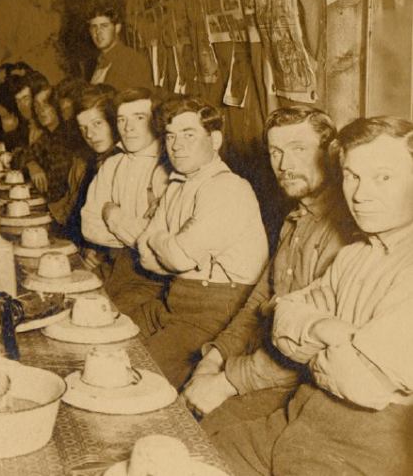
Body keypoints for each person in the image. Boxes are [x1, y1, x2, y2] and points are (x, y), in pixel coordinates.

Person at [213, 116, 413, 476]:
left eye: (383, 177)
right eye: (353, 176)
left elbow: (363, 385)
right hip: (299, 421)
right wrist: (330, 331)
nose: (361, 193)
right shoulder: (355, 254)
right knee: (190, 451)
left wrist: (310, 337)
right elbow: (282, 312)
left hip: (367, 448)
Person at [182, 106, 355, 429]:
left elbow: (312, 349)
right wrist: (214, 359)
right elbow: (255, 305)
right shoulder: (296, 219)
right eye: (276, 151)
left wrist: (227, 382)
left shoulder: (346, 232)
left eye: (299, 149)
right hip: (260, 364)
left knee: (196, 434)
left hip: (298, 383)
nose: (284, 165)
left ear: (330, 153)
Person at [136, 95, 268, 388]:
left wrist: (160, 239)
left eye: (189, 134)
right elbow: (145, 255)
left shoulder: (228, 188)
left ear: (216, 139)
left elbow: (177, 258)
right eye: (170, 136)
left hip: (217, 314)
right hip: (174, 301)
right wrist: (169, 245)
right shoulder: (177, 183)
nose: (177, 145)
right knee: (110, 337)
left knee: (137, 376)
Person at [80, 88, 169, 319]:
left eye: (139, 118)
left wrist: (111, 216)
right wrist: (132, 235)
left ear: (156, 122)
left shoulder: (167, 167)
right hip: (112, 265)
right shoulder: (113, 164)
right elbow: (88, 226)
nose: (128, 128)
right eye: (122, 120)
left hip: (152, 281)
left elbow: (157, 247)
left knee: (99, 321)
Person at [59, 84, 117, 237]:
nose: (89, 134)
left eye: (97, 123)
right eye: (83, 128)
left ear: (113, 121)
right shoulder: (94, 161)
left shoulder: (124, 163)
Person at [21, 80, 75, 206]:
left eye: (45, 104)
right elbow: (22, 154)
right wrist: (32, 164)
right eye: (36, 105)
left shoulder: (68, 137)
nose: (40, 110)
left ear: (57, 106)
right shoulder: (47, 135)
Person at [87, 8, 153, 90]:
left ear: (117, 28)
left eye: (104, 26)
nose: (98, 32)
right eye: (94, 27)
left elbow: (142, 100)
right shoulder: (97, 63)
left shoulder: (133, 61)